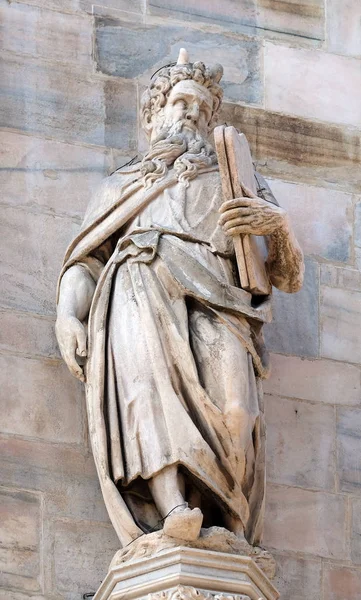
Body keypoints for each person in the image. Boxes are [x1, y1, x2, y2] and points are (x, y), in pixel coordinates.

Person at [56, 49, 304, 548]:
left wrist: (276, 229)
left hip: (221, 298)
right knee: (148, 390)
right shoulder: (121, 185)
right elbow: (85, 260)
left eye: (198, 106)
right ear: (155, 116)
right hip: (139, 283)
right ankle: (172, 509)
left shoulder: (240, 181)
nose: (188, 112)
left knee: (238, 412)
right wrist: (68, 313)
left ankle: (231, 528)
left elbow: (288, 275)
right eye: (178, 103)